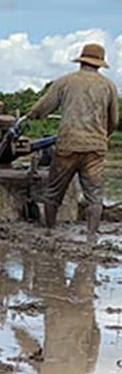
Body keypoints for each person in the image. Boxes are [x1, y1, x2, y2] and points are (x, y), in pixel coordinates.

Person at [25, 42, 119, 242]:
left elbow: (44, 106)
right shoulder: (109, 86)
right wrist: (102, 135)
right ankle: (91, 237)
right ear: (99, 64)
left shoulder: (65, 82)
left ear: (81, 61)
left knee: (53, 192)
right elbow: (114, 121)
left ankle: (49, 231)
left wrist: (32, 115)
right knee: (94, 196)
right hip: (95, 149)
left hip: (68, 146)